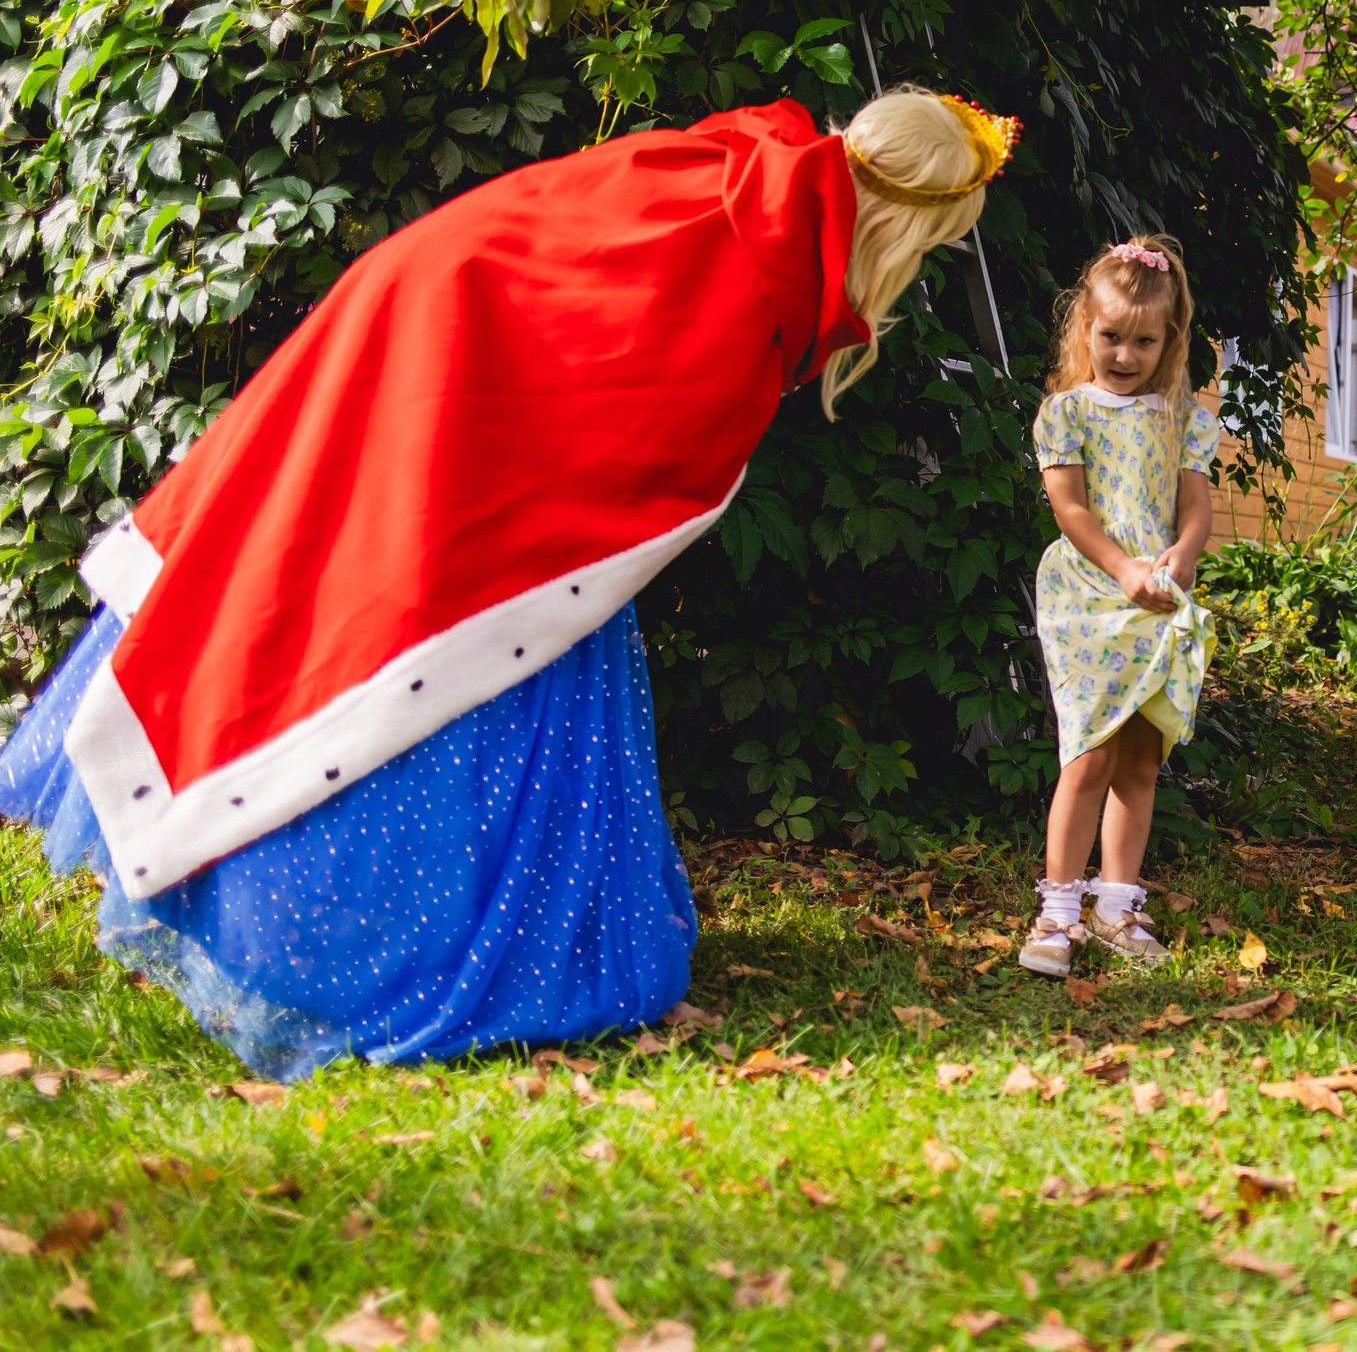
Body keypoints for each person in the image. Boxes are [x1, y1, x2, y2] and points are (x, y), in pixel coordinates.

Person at [0, 89, 1014, 1079]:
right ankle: (360, 959)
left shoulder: (747, 166)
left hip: (430, 307)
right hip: (458, 356)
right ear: (899, 221)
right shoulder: (763, 260)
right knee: (448, 616)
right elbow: (627, 448)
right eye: (928, 246)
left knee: (408, 592)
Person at [1020, 236, 1217, 978]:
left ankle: (1116, 903)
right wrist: (1124, 567)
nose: (1125, 354)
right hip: (1089, 589)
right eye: (1111, 337)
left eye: (1143, 340)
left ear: (1169, 339)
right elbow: (1070, 509)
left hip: (1155, 595)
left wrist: (1182, 555)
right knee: (1091, 748)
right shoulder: (1067, 412)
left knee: (1140, 754)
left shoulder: (1182, 418)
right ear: (1085, 331)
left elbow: (1194, 508)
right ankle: (1058, 910)